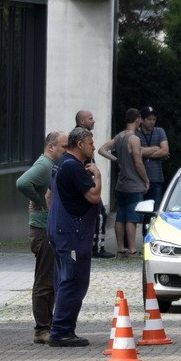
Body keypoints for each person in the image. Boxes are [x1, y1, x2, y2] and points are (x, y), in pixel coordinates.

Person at [46, 126, 103, 347]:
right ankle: (61, 331)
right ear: (80, 144)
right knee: (73, 281)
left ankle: (60, 328)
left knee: (62, 279)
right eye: (90, 143)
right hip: (72, 233)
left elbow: (49, 196)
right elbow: (94, 196)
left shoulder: (59, 164)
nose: (94, 147)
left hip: (59, 229)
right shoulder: (74, 168)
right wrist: (97, 176)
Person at [16, 130, 67, 344]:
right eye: (63, 147)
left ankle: (48, 324)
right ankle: (41, 329)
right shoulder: (44, 165)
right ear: (51, 146)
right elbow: (22, 182)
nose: (65, 151)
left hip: (47, 229)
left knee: (50, 280)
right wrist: (39, 201)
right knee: (44, 281)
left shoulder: (51, 165)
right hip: (42, 230)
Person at [99, 108, 149, 255]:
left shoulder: (119, 136)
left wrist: (117, 160)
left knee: (120, 216)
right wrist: (146, 180)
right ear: (138, 119)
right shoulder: (134, 139)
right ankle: (132, 249)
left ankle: (120, 247)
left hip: (121, 184)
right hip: (134, 184)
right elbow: (138, 163)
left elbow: (102, 149)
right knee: (131, 218)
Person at [74, 109, 116, 259]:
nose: (94, 121)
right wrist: (91, 178)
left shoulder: (78, 136)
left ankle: (89, 245)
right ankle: (97, 247)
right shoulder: (81, 137)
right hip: (88, 184)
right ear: (82, 121)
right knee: (100, 215)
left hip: (86, 183)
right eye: (90, 118)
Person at [136, 106, 170, 205]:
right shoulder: (136, 134)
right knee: (138, 212)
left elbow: (165, 151)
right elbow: (136, 152)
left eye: (154, 119)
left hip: (156, 179)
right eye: (149, 119)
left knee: (154, 212)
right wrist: (156, 149)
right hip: (139, 180)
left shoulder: (159, 131)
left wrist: (143, 153)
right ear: (142, 120)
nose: (152, 122)